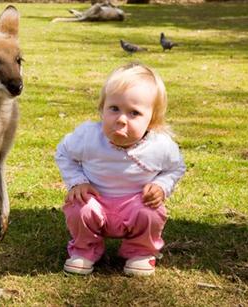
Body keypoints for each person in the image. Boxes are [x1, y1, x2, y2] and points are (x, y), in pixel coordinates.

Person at [55, 63, 186, 276]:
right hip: (95, 201)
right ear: (102, 108)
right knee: (79, 207)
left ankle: (140, 251)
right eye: (114, 109)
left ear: (152, 120)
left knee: (150, 213)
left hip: (136, 203)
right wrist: (77, 181)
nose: (121, 119)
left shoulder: (160, 146)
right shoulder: (88, 137)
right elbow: (63, 153)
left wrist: (161, 185)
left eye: (134, 113)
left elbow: (176, 167)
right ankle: (84, 250)